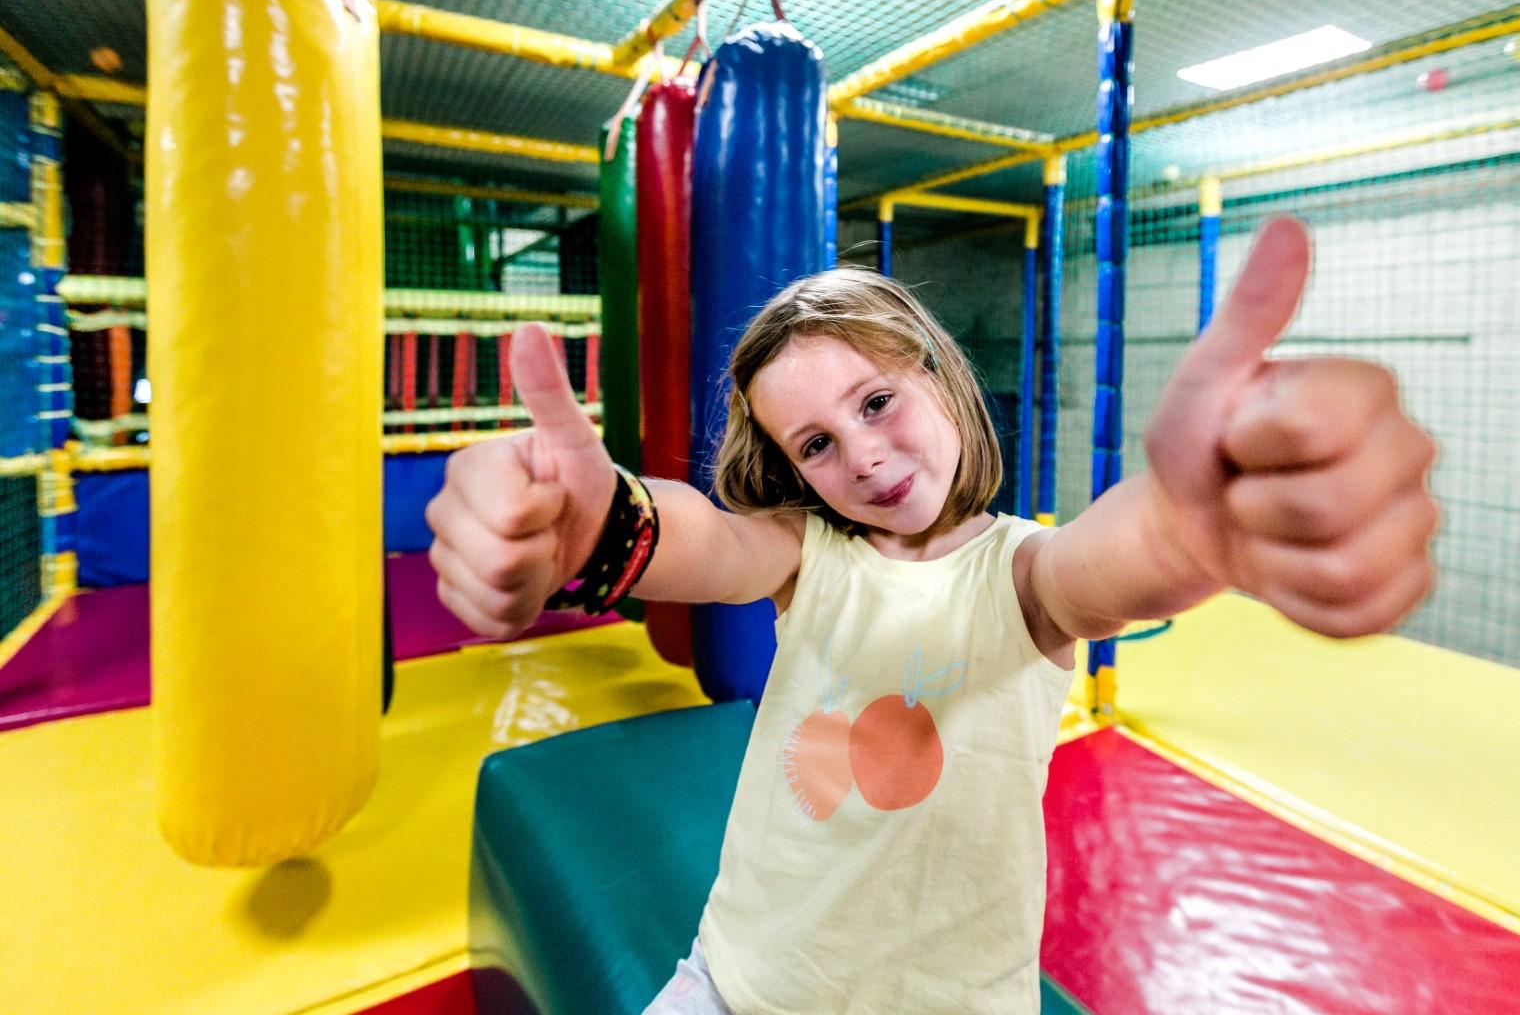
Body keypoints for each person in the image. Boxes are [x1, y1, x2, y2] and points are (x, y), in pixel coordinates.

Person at [426, 217, 1439, 1014]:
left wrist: (1191, 530)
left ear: (939, 375)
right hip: (737, 983)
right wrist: (597, 526)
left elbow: (1102, 566)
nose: (863, 455)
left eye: (876, 403)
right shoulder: (809, 554)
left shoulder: (1021, 573)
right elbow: (706, 539)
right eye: (816, 445)